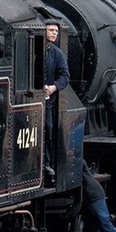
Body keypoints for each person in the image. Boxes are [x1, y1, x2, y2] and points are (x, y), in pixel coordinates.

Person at [43, 20, 70, 181]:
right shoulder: (36, 51)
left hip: (48, 100)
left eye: (56, 31)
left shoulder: (57, 53)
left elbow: (65, 76)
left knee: (48, 128)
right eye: (51, 30)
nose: (54, 33)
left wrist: (54, 87)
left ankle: (46, 163)